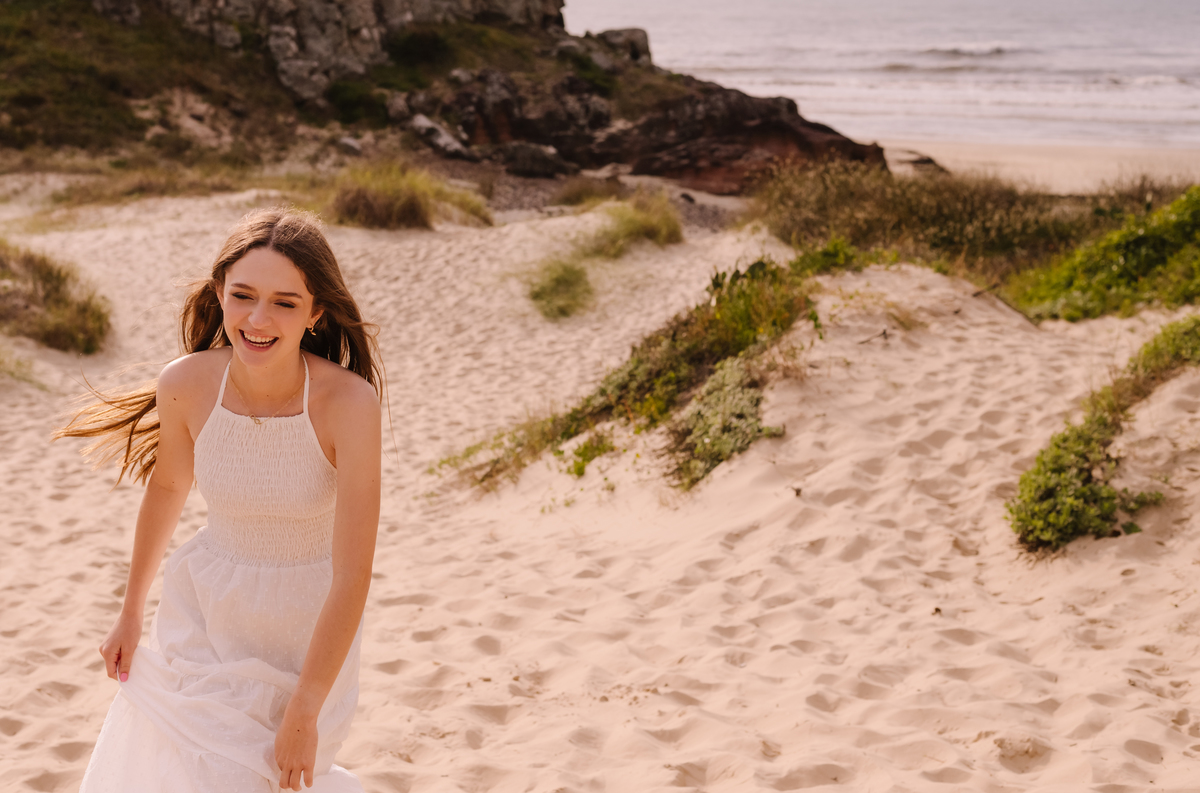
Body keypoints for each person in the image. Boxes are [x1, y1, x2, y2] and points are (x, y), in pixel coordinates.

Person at [58, 207, 382, 792]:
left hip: (306, 632)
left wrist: (306, 710)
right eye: (243, 296)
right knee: (184, 768)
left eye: (285, 302)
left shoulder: (349, 404)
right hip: (206, 610)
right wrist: (130, 613)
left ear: (316, 313)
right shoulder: (184, 384)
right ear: (219, 294)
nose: (258, 319)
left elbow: (354, 572)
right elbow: (169, 487)